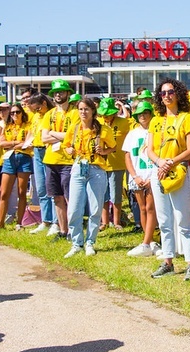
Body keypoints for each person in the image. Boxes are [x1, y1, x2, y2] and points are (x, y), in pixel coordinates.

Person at [146, 78, 190, 280]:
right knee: (165, 220)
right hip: (158, 172)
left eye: (170, 92)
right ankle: (168, 261)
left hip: (181, 172)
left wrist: (170, 163)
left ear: (177, 93)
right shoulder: (155, 120)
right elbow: (149, 150)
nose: (166, 96)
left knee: (184, 219)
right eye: (163, 93)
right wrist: (160, 162)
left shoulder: (188, 118)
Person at [63, 98, 116, 257]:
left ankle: (90, 242)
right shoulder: (74, 128)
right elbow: (66, 145)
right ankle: (76, 242)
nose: (83, 112)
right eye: (80, 109)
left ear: (93, 111)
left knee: (95, 208)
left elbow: (113, 147)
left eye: (86, 109)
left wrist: (104, 151)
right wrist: (69, 151)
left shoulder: (103, 130)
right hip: (79, 167)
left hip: (97, 169)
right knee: (74, 208)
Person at [41, 79, 80, 240]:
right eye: (56, 92)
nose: (58, 94)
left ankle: (73, 231)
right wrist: (63, 137)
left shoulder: (75, 113)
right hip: (51, 160)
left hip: (68, 161)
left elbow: (74, 136)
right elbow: (43, 138)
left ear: (68, 94)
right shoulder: (49, 114)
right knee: (56, 197)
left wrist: (53, 134)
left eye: (61, 91)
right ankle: (63, 231)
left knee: (70, 197)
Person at [123, 101, 159, 257]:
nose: (143, 116)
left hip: (152, 175)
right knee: (142, 208)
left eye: (146, 113)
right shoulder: (132, 133)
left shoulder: (156, 131)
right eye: (140, 114)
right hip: (137, 176)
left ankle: (148, 241)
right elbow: (128, 156)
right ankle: (149, 241)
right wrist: (134, 176)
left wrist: (152, 177)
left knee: (151, 208)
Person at [0, 103, 33, 230]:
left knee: (22, 192)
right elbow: (1, 143)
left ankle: (20, 222)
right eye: (12, 113)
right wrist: (16, 143)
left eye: (17, 112)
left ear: (22, 113)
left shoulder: (28, 126)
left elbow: (27, 144)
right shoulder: (8, 126)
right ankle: (0, 223)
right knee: (4, 192)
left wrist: (12, 144)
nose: (15, 115)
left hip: (24, 158)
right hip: (9, 159)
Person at [27, 93, 60, 235]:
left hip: (49, 150)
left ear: (44, 104)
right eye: (34, 109)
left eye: (38, 108)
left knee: (51, 187)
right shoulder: (36, 117)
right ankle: (45, 220)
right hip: (36, 151)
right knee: (40, 187)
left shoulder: (52, 115)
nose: (36, 112)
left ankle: (55, 221)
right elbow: (32, 132)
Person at [98, 97, 130, 230]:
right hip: (100, 163)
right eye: (104, 114)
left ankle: (116, 221)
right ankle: (104, 222)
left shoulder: (125, 123)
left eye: (108, 114)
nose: (106, 116)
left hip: (118, 163)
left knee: (116, 193)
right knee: (103, 194)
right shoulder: (97, 123)